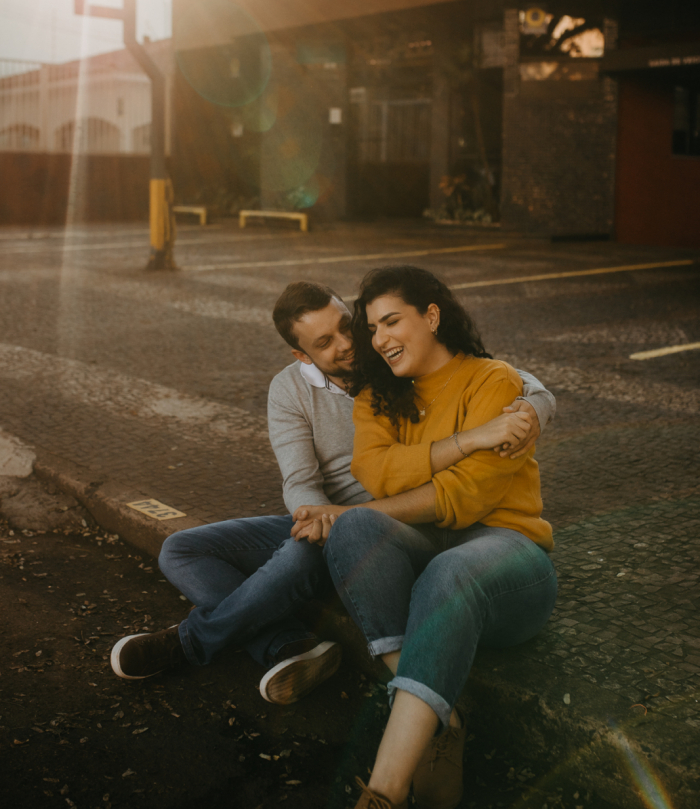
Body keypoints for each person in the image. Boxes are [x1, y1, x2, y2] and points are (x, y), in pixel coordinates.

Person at [109, 280, 555, 708]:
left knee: (299, 556)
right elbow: (299, 480)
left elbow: (493, 372)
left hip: (400, 524)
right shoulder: (288, 390)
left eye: (346, 325)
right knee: (180, 549)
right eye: (325, 343)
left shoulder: (392, 354)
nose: (346, 343)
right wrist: (316, 515)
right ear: (301, 354)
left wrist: (536, 404)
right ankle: (288, 646)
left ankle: (190, 643)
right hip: (330, 517)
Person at [295, 265, 558, 809]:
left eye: (392, 321)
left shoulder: (496, 382)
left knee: (437, 559)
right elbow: (377, 471)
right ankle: (444, 714)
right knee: (355, 533)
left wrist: (354, 507)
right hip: (433, 551)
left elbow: (465, 500)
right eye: (373, 328)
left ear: (431, 316)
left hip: (511, 557)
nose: (380, 339)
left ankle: (382, 800)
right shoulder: (376, 398)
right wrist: (471, 438)